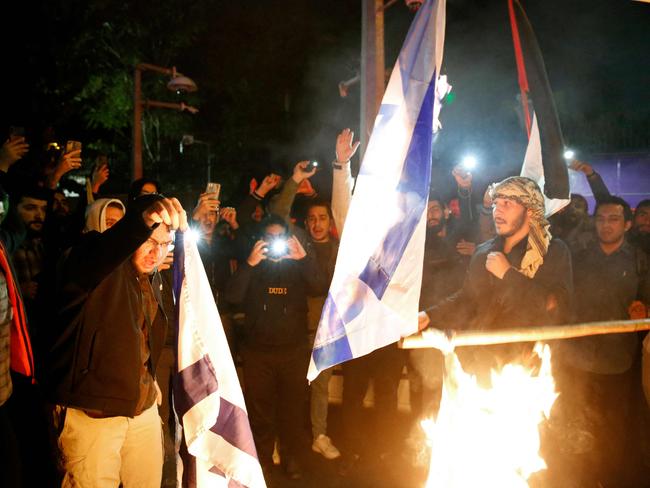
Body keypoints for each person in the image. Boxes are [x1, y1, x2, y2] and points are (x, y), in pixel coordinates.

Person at [41, 194, 187, 488]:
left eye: (164, 244)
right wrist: (144, 220)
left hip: (140, 407)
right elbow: (102, 253)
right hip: (94, 413)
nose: (155, 252)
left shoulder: (148, 278)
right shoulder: (86, 262)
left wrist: (148, 379)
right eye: (149, 240)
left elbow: (142, 337)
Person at [418, 176, 573, 377]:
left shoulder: (552, 251)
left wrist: (508, 275)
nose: (497, 211)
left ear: (531, 210)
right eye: (495, 204)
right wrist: (429, 315)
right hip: (481, 364)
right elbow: (467, 297)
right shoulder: (484, 251)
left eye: (507, 204)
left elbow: (556, 307)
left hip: (529, 368)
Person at [551, 195, 650, 487]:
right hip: (576, 359)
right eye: (601, 219)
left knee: (613, 429)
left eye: (614, 219)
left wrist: (643, 309)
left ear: (627, 224)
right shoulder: (578, 258)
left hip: (618, 361)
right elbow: (564, 299)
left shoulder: (640, 261)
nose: (606, 225)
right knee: (575, 424)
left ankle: (608, 477)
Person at [225, 214, 328, 480]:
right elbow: (232, 296)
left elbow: (319, 286)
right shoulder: (253, 265)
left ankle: (292, 458)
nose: (274, 244)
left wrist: (302, 258)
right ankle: (263, 462)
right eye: (268, 238)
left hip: (292, 350)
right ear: (261, 240)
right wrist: (249, 263)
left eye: (278, 238)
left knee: (292, 410)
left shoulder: (297, 264)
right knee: (260, 413)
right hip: (258, 352)